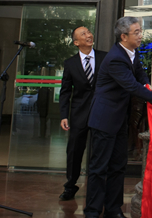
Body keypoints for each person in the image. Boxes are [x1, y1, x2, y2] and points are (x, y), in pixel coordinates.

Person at [84, 17, 152, 218]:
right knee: (99, 167)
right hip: (104, 119)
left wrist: (148, 86)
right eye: (136, 32)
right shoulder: (116, 57)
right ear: (124, 36)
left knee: (119, 165)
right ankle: (92, 211)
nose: (140, 35)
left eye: (140, 31)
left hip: (119, 119)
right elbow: (131, 85)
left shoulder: (131, 53)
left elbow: (140, 75)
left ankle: (113, 209)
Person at [58, 26, 102, 201]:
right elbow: (65, 91)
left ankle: (97, 186)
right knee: (75, 151)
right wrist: (64, 115)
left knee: (99, 150)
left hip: (101, 111)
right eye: (83, 34)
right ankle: (70, 186)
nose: (89, 35)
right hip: (79, 114)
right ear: (76, 42)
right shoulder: (70, 63)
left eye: (89, 32)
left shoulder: (104, 57)